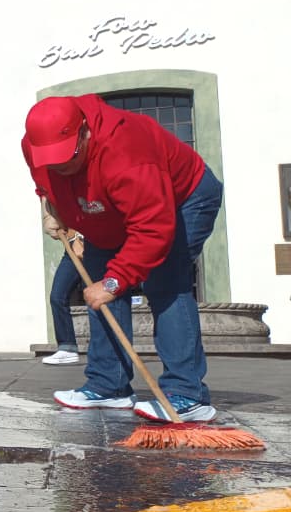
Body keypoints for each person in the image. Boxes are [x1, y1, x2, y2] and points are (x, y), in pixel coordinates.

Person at [22, 94, 224, 422]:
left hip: (183, 198)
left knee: (165, 282)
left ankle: (187, 394)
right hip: (105, 210)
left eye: (67, 157)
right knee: (97, 288)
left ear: (85, 132)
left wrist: (114, 282)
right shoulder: (35, 146)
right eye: (51, 160)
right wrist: (52, 208)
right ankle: (109, 385)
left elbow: (153, 229)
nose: (60, 166)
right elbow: (44, 182)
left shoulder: (127, 151)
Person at [41, 201, 83, 366]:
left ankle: (109, 352)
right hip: (71, 247)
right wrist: (50, 219)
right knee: (57, 296)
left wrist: (78, 237)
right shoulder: (46, 191)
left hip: (92, 243)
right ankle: (67, 347)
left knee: (101, 301)